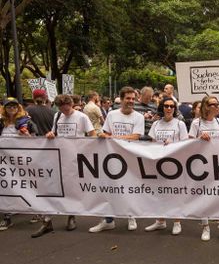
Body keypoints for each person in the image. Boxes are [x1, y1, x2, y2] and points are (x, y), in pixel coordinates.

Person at [32, 95, 96, 238]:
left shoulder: (81, 117)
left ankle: (71, 216)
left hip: (74, 159)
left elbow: (92, 134)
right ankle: (47, 220)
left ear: (72, 104)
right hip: (58, 157)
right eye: (62, 109)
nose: (65, 111)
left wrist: (84, 148)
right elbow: (54, 132)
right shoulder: (57, 116)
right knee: (53, 188)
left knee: (71, 189)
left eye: (67, 109)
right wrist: (50, 134)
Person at [89, 86, 145, 233]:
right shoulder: (112, 115)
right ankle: (108, 220)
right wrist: (103, 135)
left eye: (133, 98)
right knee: (110, 188)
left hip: (130, 159)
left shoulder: (139, 117)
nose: (131, 101)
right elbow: (106, 133)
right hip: (112, 158)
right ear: (121, 99)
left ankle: (131, 216)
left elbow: (135, 136)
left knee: (129, 188)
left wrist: (112, 137)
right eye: (128, 98)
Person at [188, 95, 219, 241]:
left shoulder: (218, 122)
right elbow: (189, 143)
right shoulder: (197, 123)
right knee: (203, 196)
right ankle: (206, 227)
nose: (217, 106)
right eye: (214, 104)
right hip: (200, 164)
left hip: (217, 164)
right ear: (206, 107)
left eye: (218, 104)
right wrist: (199, 139)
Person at [144, 97, 188, 235]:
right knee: (159, 193)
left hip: (175, 164)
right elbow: (151, 143)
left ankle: (177, 222)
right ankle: (160, 221)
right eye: (166, 106)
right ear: (162, 108)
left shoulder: (180, 124)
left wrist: (173, 144)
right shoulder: (156, 124)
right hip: (158, 163)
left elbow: (185, 144)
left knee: (175, 193)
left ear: (175, 109)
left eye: (171, 106)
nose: (169, 108)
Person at [0, 98, 38, 231]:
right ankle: (7, 217)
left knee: (27, 186)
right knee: (6, 188)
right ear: (4, 108)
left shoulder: (26, 121)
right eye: (8, 106)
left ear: (18, 107)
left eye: (14, 106)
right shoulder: (1, 122)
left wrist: (26, 134)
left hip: (22, 161)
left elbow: (36, 140)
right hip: (5, 164)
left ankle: (35, 211)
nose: (11, 108)